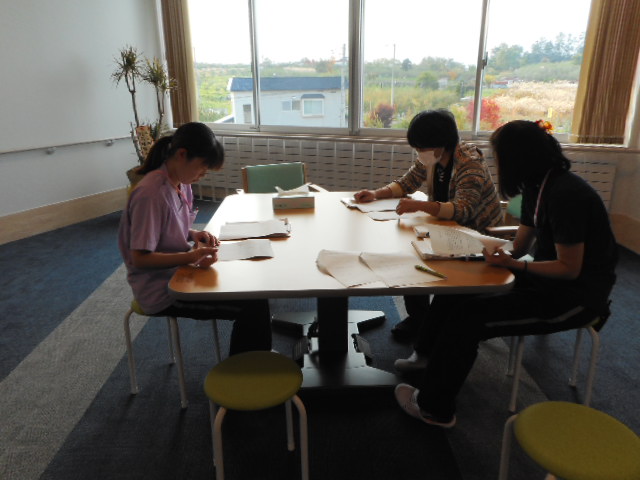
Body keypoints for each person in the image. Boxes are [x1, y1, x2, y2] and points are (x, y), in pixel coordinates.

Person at [394, 119, 618, 428]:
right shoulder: (538, 186)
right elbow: (520, 245)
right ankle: (427, 357)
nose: (497, 164)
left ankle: (434, 409)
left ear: (516, 159)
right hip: (544, 279)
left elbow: (569, 269)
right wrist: (489, 252)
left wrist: (515, 264)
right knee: (459, 288)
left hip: (576, 297)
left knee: (468, 318)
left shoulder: (567, 196)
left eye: (499, 157)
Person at [354, 109, 503, 354]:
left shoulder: (469, 163)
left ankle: (430, 326)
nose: (418, 152)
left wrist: (420, 205)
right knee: (409, 251)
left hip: (477, 237)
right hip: (446, 229)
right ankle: (419, 318)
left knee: (415, 255)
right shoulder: (433, 157)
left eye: (421, 147)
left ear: (441, 143)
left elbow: (463, 210)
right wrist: (375, 194)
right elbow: (408, 182)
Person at [118, 122, 272, 356]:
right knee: (253, 305)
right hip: (163, 289)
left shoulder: (181, 183)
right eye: (202, 167)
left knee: (252, 291)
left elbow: (166, 226)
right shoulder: (151, 194)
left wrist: (192, 234)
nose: (202, 175)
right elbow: (140, 258)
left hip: (181, 271)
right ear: (182, 155)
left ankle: (254, 364)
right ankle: (246, 373)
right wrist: (191, 256)